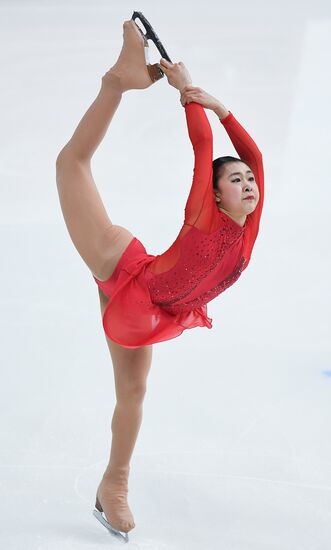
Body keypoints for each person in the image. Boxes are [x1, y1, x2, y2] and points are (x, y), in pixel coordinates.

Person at [56, 19, 264, 539]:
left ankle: (113, 483)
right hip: (122, 268)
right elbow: (201, 149)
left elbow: (256, 154)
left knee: (133, 393)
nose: (248, 183)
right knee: (71, 164)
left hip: (154, 313)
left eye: (250, 180)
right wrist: (190, 96)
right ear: (216, 195)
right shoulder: (205, 213)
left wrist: (225, 109)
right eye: (235, 180)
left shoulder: (249, 229)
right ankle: (116, 83)